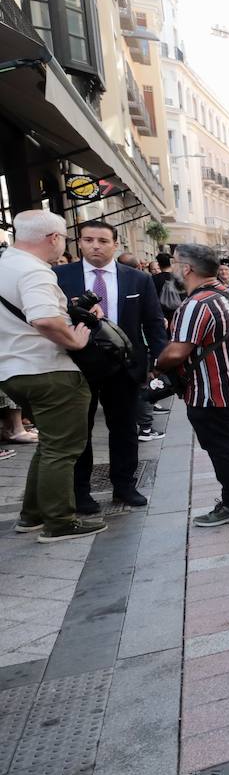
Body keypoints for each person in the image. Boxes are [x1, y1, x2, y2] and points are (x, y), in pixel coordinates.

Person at [0, 210, 105, 541]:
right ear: (53, 238)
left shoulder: (6, 264)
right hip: (47, 369)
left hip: (13, 370)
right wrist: (73, 338)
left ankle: (31, 515)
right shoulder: (34, 271)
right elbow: (44, 319)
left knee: (50, 444)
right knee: (63, 448)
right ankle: (59, 521)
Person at [55, 220, 165, 510]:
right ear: (78, 243)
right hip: (77, 364)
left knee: (125, 428)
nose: (95, 246)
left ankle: (125, 486)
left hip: (124, 365)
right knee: (80, 429)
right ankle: (80, 492)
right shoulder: (59, 277)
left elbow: (153, 322)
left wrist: (160, 360)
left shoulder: (137, 279)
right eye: (89, 240)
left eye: (103, 241)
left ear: (116, 244)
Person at [155, 243, 229, 527]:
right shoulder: (225, 294)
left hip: (211, 390)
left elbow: (176, 351)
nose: (174, 268)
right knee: (226, 444)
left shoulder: (197, 303)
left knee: (222, 447)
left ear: (187, 268)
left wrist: (155, 367)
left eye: (176, 263)